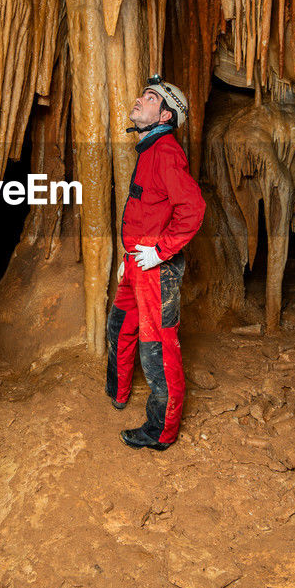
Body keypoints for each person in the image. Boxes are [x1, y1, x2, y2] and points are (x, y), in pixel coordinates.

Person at [105, 75, 205, 451]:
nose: (138, 100)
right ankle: (118, 392)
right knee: (120, 325)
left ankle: (160, 431)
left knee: (157, 347)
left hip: (154, 269)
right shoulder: (148, 150)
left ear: (165, 115)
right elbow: (146, 209)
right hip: (136, 262)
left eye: (148, 98)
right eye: (142, 95)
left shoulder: (164, 151)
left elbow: (193, 208)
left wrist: (161, 251)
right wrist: (129, 255)